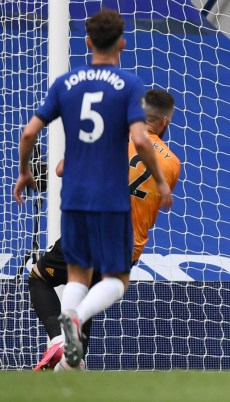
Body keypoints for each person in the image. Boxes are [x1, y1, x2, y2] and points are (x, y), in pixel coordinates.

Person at [14, 10, 173, 371]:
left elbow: (28, 135)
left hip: (74, 201)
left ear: (87, 42)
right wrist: (161, 183)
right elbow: (139, 140)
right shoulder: (128, 86)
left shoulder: (66, 84)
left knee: (77, 275)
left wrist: (24, 173)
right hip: (111, 204)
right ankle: (72, 322)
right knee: (116, 281)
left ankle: (68, 353)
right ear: (122, 42)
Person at [29, 89, 181, 371]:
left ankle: (56, 340)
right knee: (88, 294)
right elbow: (154, 204)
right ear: (165, 120)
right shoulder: (172, 163)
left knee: (39, 277)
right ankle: (72, 364)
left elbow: (62, 170)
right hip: (127, 244)